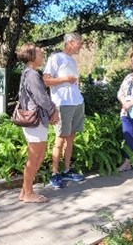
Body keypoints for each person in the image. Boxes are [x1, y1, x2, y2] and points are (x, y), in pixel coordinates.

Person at [16, 42, 58, 203]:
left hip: (36, 119)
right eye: (40, 54)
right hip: (35, 119)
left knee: (38, 155)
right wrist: (53, 111)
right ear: (32, 57)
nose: (42, 56)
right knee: (35, 156)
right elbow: (41, 98)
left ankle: (25, 191)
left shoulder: (29, 72)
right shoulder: (32, 74)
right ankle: (28, 193)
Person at [43, 32, 85, 188]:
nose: (81, 45)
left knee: (71, 138)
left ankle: (67, 170)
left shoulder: (72, 61)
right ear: (71, 42)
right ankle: (55, 173)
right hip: (62, 103)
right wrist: (66, 79)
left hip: (76, 102)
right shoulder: (56, 58)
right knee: (60, 138)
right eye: (79, 42)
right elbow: (46, 80)